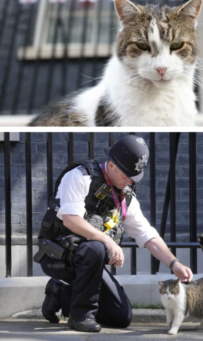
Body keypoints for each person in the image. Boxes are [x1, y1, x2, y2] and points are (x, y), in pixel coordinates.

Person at [38, 135, 193, 332]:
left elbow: (147, 234)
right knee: (96, 247)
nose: (129, 181)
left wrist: (174, 263)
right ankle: (80, 317)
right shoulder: (79, 176)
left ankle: (59, 294)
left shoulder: (125, 196)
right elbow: (70, 219)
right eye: (126, 175)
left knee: (121, 316)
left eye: (133, 177)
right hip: (58, 255)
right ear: (111, 164)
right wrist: (107, 241)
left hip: (89, 263)